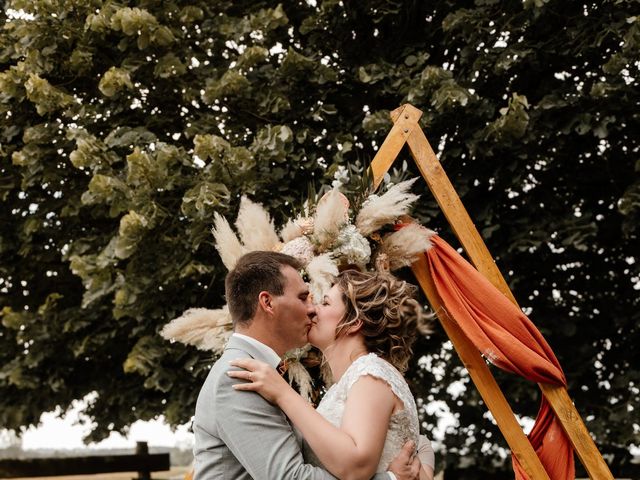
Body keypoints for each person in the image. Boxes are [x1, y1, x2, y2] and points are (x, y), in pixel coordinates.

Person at [193, 251, 424, 479]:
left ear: (354, 322)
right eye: (303, 298)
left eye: (323, 302)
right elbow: (290, 477)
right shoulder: (238, 374)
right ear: (268, 303)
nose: (312, 309)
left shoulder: (367, 375)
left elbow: (409, 440)